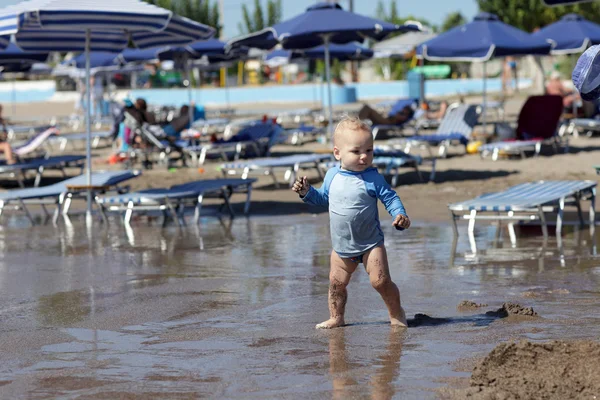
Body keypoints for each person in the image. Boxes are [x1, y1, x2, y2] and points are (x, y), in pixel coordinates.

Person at [292, 117, 411, 329]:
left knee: (380, 281)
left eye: (369, 150)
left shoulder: (373, 178)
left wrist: (399, 214)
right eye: (356, 152)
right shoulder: (332, 176)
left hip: (370, 244)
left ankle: (396, 313)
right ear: (338, 153)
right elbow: (323, 199)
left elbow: (390, 198)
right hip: (341, 247)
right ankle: (336, 317)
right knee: (336, 284)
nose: (364, 156)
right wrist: (306, 192)